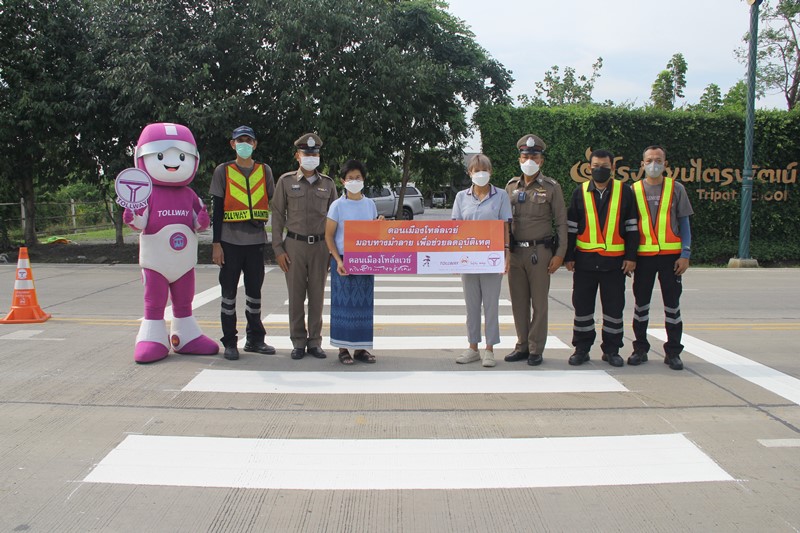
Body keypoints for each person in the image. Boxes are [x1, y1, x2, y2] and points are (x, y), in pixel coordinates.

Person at [564, 149, 639, 367]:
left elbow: (632, 226)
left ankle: (612, 350)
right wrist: (569, 256)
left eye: (604, 166)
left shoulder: (625, 192)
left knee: (614, 310)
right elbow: (571, 227)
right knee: (582, 308)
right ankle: (581, 349)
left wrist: (631, 256)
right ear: (589, 168)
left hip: (615, 264)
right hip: (585, 262)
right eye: (595, 166)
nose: (599, 170)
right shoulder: (580, 192)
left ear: (613, 168)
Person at [209, 125, 276, 361]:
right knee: (228, 294)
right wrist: (216, 244)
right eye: (240, 141)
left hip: (256, 241)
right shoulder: (223, 171)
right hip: (229, 242)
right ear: (233, 144)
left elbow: (274, 202)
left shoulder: (264, 170)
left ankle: (255, 339)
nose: (244, 144)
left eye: (249, 140)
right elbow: (217, 211)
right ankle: (230, 342)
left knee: (254, 293)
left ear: (255, 144)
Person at [271, 133, 338, 360]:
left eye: (315, 153)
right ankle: (298, 341)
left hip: (321, 247)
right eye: (307, 154)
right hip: (294, 246)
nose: (311, 157)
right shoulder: (286, 181)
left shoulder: (328, 184)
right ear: (297, 156)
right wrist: (278, 249)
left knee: (317, 297)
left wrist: (334, 253)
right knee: (296, 296)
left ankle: (315, 342)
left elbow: (335, 220)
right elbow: (278, 216)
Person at [504, 134, 568, 367]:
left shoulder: (551, 187)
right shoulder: (511, 186)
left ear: (541, 161)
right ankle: (521, 345)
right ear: (519, 158)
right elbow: (503, 222)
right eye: (525, 156)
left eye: (534, 156)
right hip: (515, 253)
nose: (529, 159)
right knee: (518, 302)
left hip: (539, 252)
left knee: (539, 304)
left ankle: (535, 348)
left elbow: (561, 222)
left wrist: (560, 253)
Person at [629, 145, 694, 370]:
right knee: (641, 305)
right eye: (649, 160)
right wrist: (629, 257)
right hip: (643, 257)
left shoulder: (676, 189)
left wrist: (685, 253)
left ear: (665, 164)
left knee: (672, 306)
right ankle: (640, 349)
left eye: (658, 160)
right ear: (642, 164)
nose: (653, 164)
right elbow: (628, 227)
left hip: (671, 258)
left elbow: (684, 223)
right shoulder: (634, 190)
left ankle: (673, 352)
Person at [452, 154, 512, 368]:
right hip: (468, 259)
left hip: (491, 259)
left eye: (484, 169)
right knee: (472, 305)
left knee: (491, 305)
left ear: (491, 172)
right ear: (469, 173)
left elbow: (505, 227)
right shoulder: (461, 197)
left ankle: (490, 348)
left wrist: (506, 255)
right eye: (476, 170)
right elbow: (456, 229)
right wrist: (453, 259)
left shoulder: (501, 196)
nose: (480, 174)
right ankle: (473, 347)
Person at [325, 160, 381, 365]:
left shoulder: (370, 204)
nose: (354, 181)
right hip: (344, 261)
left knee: (363, 305)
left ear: (363, 180)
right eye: (350, 178)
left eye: (358, 177)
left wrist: (380, 227)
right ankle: (342, 349)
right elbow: (329, 236)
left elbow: (374, 234)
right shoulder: (337, 205)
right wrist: (337, 260)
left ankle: (360, 349)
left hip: (365, 261)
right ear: (343, 181)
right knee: (343, 305)